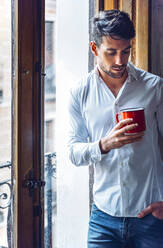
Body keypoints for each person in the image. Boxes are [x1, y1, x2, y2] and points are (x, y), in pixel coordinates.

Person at [67, 9, 163, 248]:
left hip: (151, 215)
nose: (120, 61)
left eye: (126, 51)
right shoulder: (80, 93)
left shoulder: (153, 87)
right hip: (103, 219)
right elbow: (73, 152)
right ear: (94, 49)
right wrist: (104, 144)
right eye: (111, 53)